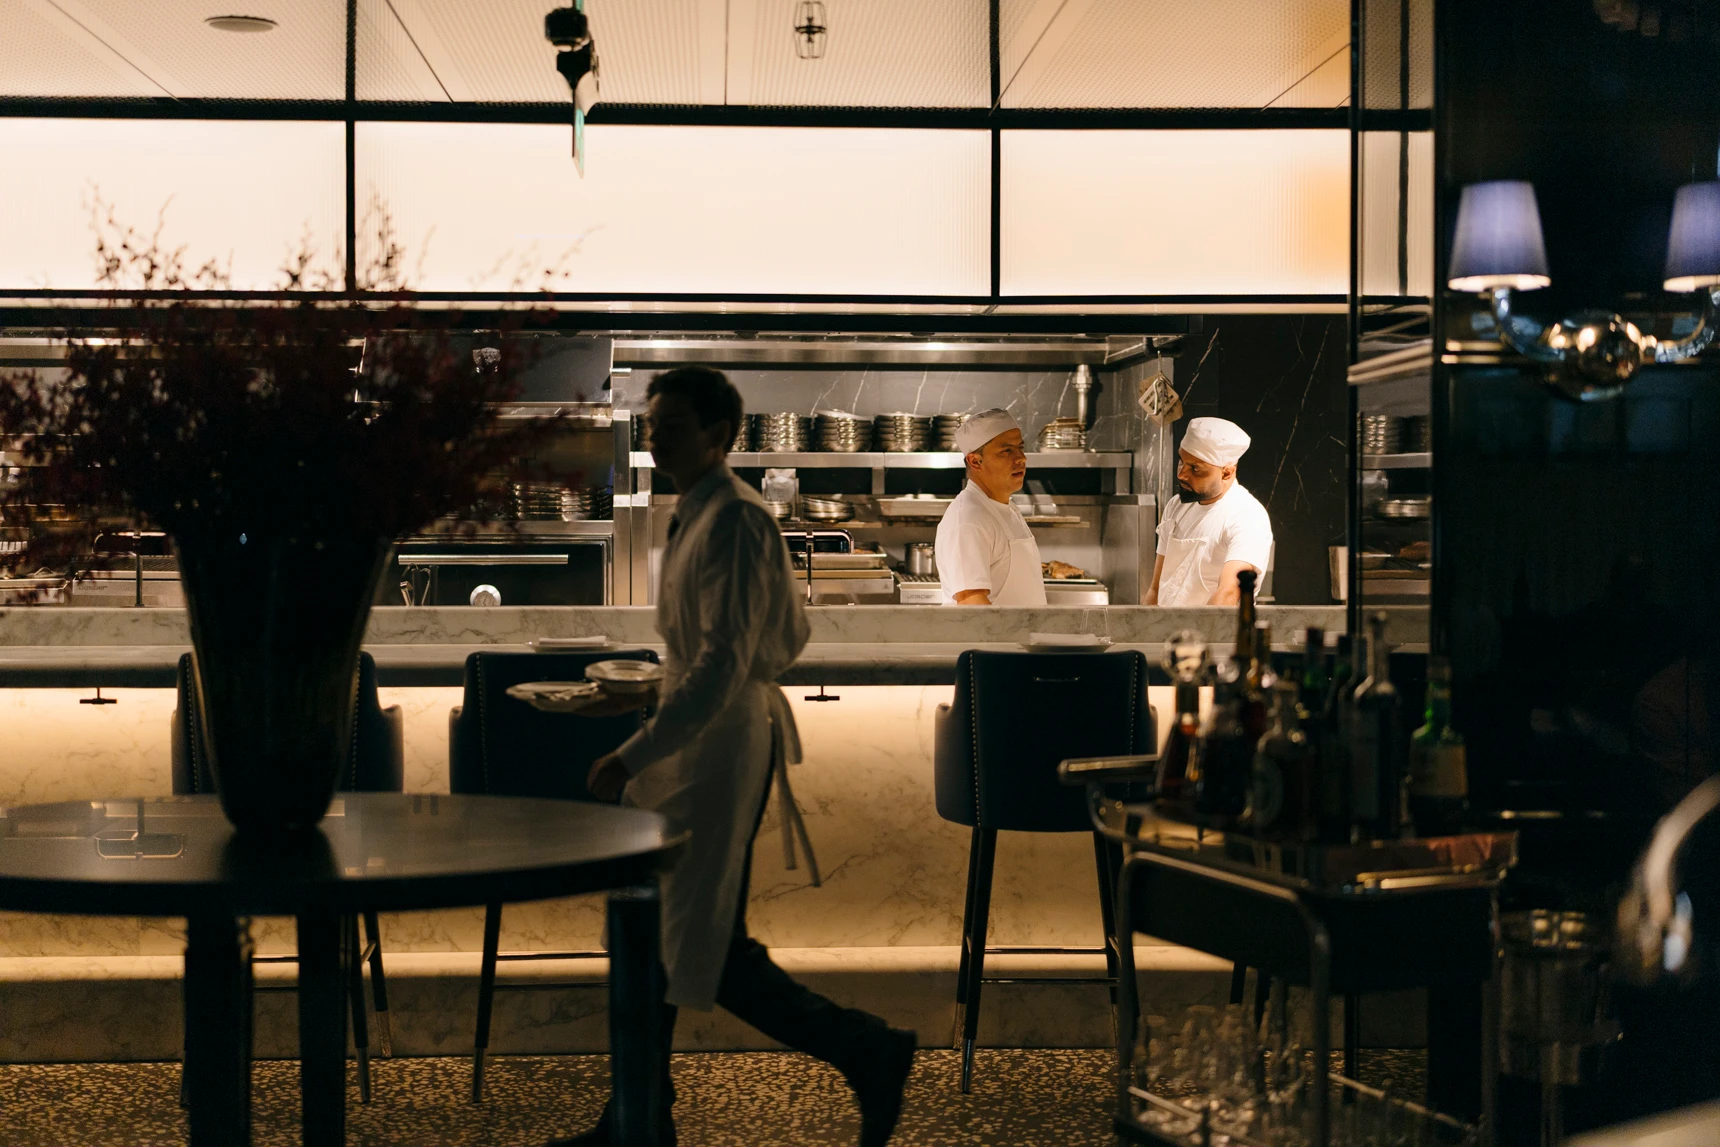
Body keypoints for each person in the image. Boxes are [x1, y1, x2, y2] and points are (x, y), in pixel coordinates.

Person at [555, 366, 916, 1147]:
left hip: (718, 752)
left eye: (672, 426)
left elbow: (723, 665)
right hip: (691, 742)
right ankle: (637, 1117)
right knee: (661, 936)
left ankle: (868, 1048)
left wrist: (632, 750)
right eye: (653, 425)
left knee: (703, 946)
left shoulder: (738, 521)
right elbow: (697, 657)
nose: (656, 438)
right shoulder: (695, 512)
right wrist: (636, 696)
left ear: (720, 435)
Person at [1146, 416, 1274, 608]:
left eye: (1195, 469)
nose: (1181, 474)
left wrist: (1195, 629)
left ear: (1226, 473)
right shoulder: (1176, 506)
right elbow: (1156, 589)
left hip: (1214, 627)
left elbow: (1228, 593)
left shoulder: (1247, 516)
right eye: (1181, 462)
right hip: (1167, 626)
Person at [933, 408, 1048, 606]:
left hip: (1022, 627)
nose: (1021, 458)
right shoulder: (968, 520)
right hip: (997, 629)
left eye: (1020, 447)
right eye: (1006, 451)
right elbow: (971, 603)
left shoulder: (1006, 508)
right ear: (976, 461)